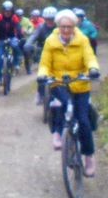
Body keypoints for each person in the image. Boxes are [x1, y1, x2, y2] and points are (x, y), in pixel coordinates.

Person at [38, 9, 101, 176]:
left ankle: (89, 156)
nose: (66, 30)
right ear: (58, 26)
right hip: (59, 82)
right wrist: (43, 74)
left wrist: (93, 69)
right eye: (63, 26)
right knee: (60, 105)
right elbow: (45, 63)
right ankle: (57, 133)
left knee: (83, 121)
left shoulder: (82, 40)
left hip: (80, 84)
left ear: (74, 27)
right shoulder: (51, 41)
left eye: (69, 27)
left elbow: (90, 57)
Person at [24, 6, 59, 104]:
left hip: (59, 53)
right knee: (42, 74)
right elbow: (33, 36)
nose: (49, 21)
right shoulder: (40, 27)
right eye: (47, 19)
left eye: (52, 19)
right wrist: (28, 44)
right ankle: (40, 93)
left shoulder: (60, 28)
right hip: (43, 53)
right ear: (44, 18)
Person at [0, 0, 24, 85]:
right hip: (1, 39)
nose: (7, 13)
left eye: (9, 11)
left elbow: (18, 27)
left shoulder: (14, 17)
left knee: (16, 47)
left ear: (12, 11)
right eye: (6, 11)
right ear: (3, 10)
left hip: (12, 38)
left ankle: (16, 64)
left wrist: (20, 35)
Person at [16, 8, 34, 73]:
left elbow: (31, 27)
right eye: (18, 16)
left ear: (22, 15)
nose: (19, 17)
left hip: (24, 38)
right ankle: (14, 65)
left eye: (21, 15)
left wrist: (28, 31)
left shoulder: (26, 20)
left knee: (26, 53)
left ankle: (28, 69)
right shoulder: (14, 20)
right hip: (16, 38)